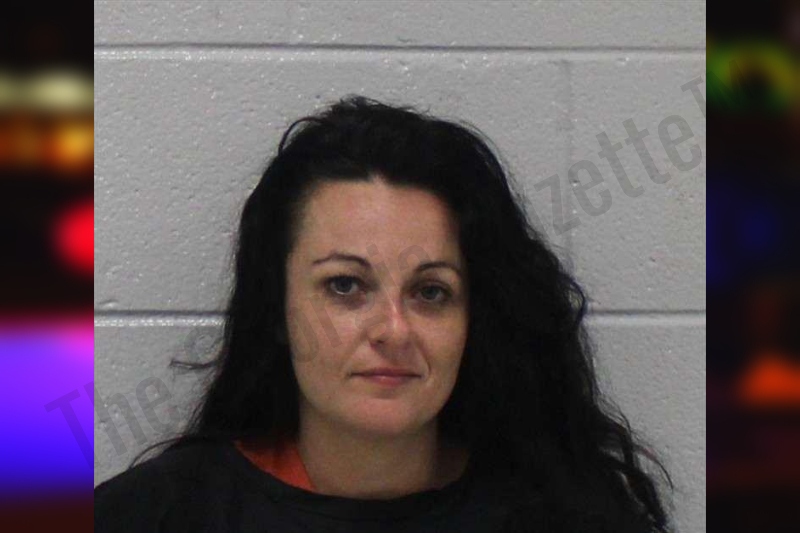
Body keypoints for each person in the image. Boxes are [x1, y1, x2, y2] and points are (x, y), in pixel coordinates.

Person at [94, 96, 673, 533]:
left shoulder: (561, 516)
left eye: (431, 292)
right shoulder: (156, 515)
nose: (393, 330)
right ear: (275, 309)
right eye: (345, 286)